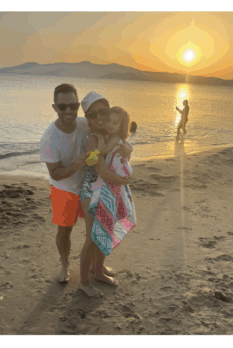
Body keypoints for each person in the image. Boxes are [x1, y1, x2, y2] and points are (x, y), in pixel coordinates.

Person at [39, 86, 129, 285]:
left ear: (78, 107)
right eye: (63, 107)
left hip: (93, 186)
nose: (68, 111)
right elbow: (55, 173)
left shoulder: (86, 124)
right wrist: (80, 163)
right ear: (55, 107)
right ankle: (65, 265)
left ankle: (96, 267)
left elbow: (110, 138)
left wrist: (126, 148)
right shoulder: (50, 139)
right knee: (65, 230)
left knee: (98, 232)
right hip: (66, 188)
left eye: (72, 106)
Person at [78, 106, 134, 298]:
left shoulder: (107, 138)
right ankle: (84, 282)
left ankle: (98, 270)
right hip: (91, 191)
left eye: (105, 115)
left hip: (105, 190)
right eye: (94, 115)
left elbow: (119, 158)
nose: (102, 119)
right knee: (92, 237)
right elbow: (99, 169)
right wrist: (124, 181)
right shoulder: (94, 139)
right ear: (88, 119)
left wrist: (128, 149)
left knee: (103, 232)